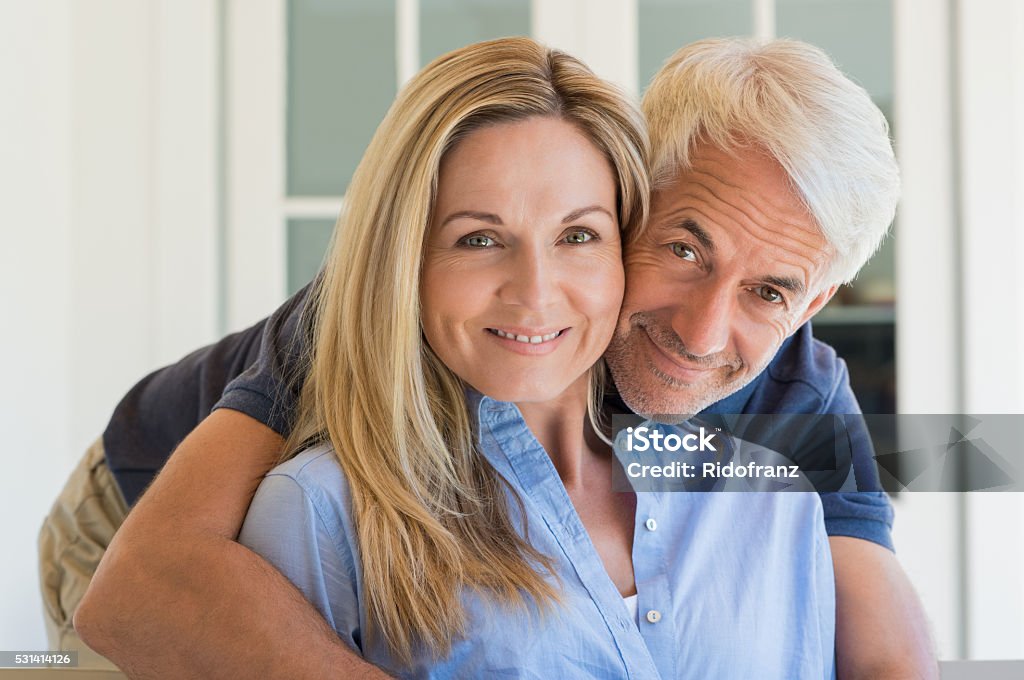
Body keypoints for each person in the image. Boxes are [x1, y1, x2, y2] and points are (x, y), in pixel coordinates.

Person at [57, 37, 935, 679]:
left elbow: (886, 651)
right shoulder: (379, 312)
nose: (704, 333)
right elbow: (140, 587)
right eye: (685, 249)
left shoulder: (797, 384)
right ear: (631, 196)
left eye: (768, 291)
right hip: (133, 499)